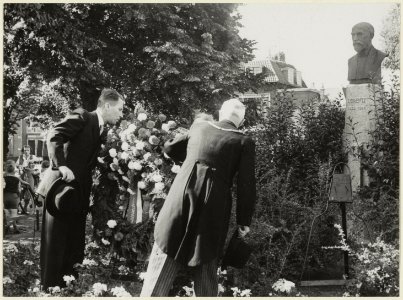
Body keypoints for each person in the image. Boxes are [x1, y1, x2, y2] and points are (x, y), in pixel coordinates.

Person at [140, 98, 256, 296]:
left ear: (220, 113)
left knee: (159, 272)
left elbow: (169, 148)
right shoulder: (243, 141)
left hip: (179, 203)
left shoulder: (199, 127)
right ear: (241, 121)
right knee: (206, 273)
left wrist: (191, 160)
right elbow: (246, 186)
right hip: (213, 212)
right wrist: (243, 222)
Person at [39, 88, 124, 289]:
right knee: (56, 245)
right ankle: (49, 290)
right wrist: (61, 164)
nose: (121, 115)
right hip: (59, 192)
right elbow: (54, 134)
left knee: (74, 244)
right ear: (107, 105)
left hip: (77, 195)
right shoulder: (83, 116)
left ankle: (69, 288)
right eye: (120, 110)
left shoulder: (103, 130)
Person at [3, 160, 31, 233]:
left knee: (7, 213)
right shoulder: (17, 177)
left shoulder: (3, 176)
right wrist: (28, 185)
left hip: (5, 196)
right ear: (14, 168)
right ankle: (11, 227)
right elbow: (25, 183)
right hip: (14, 197)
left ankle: (11, 228)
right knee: (14, 214)